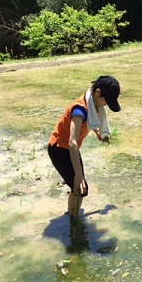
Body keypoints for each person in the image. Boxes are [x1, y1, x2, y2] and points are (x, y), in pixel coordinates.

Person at [48, 75, 121, 231]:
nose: (106, 104)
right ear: (98, 92)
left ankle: (72, 216)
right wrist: (78, 174)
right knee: (80, 187)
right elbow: (72, 142)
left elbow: (90, 122)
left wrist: (98, 133)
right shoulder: (79, 109)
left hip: (69, 150)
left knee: (78, 188)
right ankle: (73, 224)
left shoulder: (93, 104)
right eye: (106, 100)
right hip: (59, 149)